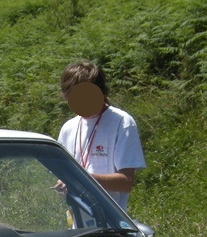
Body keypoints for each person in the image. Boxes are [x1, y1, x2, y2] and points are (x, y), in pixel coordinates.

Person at [57, 60, 145, 210]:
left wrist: (84, 179)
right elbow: (62, 174)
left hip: (110, 220)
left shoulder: (122, 122)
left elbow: (126, 182)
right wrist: (63, 183)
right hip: (77, 220)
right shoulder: (68, 128)